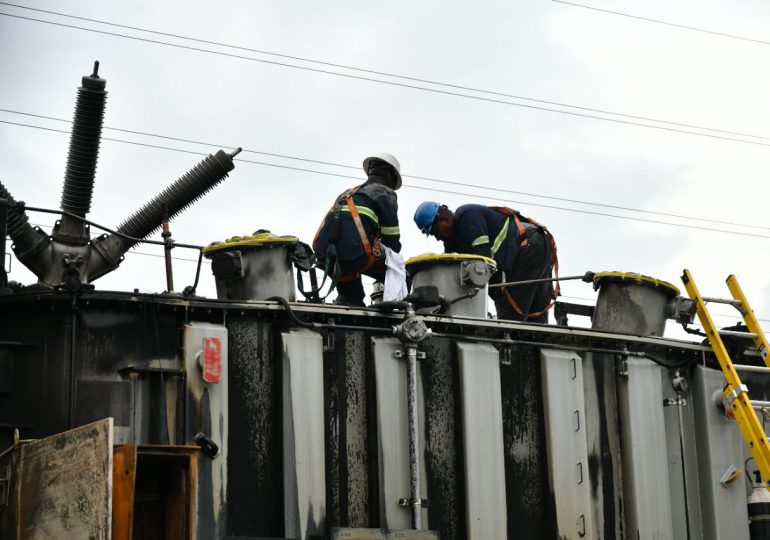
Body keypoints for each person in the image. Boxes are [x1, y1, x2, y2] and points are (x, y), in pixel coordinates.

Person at [413, 201, 557, 322]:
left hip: (528, 248)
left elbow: (483, 262)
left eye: (435, 232)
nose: (437, 238)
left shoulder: (466, 215)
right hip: (536, 246)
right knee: (536, 322)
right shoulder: (453, 242)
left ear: (443, 218)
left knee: (509, 318)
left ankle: (510, 352)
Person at [313, 153, 402, 306]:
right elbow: (392, 242)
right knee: (401, 273)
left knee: (352, 297)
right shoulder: (385, 194)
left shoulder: (348, 193)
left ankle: (349, 301)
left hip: (325, 254)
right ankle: (397, 310)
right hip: (353, 254)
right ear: (389, 175)